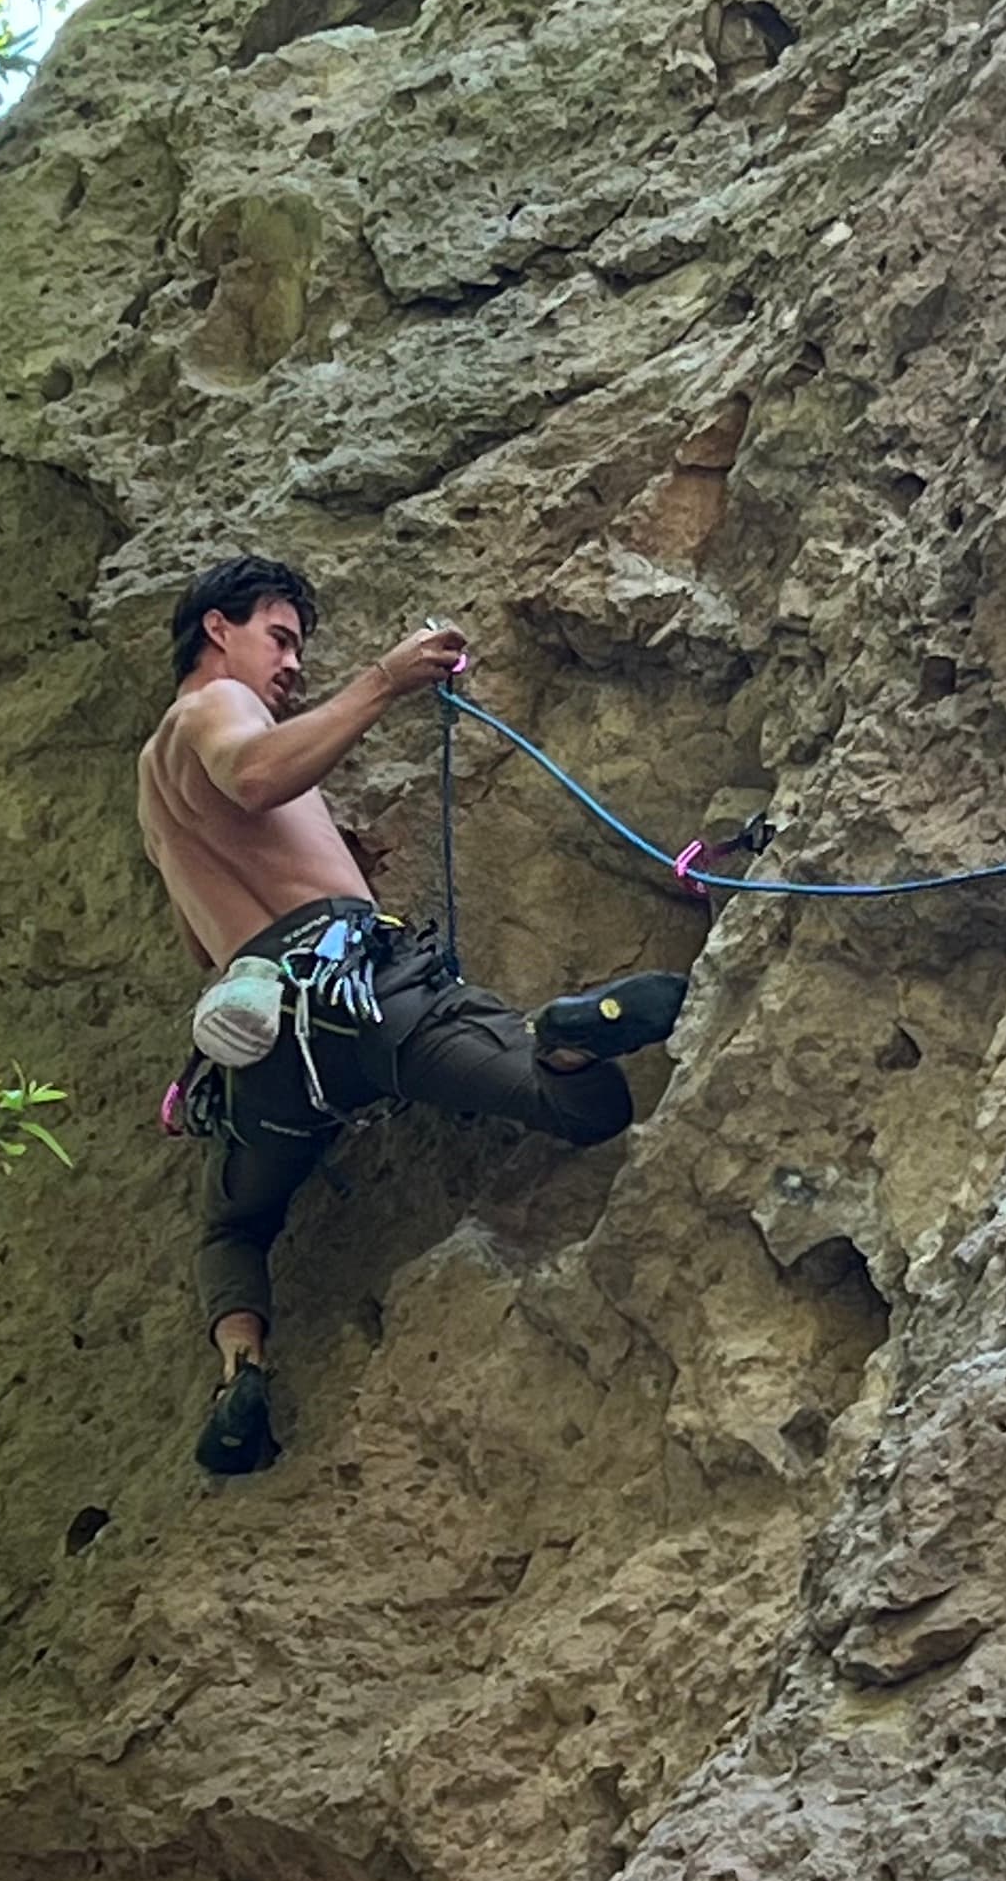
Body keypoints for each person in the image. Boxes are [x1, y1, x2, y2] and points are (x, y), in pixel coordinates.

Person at [139, 555, 684, 1474]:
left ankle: (241, 1371)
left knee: (233, 1229)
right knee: (589, 1110)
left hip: (263, 1045)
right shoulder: (213, 709)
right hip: (362, 994)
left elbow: (204, 937)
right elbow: (255, 776)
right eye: (279, 637)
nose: (292, 665)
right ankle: (551, 1042)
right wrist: (384, 681)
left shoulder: (152, 793)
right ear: (216, 631)